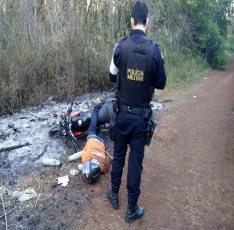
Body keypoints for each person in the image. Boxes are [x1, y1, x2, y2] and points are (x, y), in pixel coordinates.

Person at [107, 1, 166, 223]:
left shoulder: (120, 47)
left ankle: (114, 195)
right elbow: (161, 83)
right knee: (136, 162)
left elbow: (112, 76)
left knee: (119, 155)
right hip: (141, 119)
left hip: (121, 114)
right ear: (147, 21)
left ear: (132, 20)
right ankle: (131, 209)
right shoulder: (155, 51)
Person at [69, 105, 111, 184]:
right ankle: (96, 109)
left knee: (98, 130)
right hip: (92, 137)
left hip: (101, 142)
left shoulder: (102, 167)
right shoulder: (85, 158)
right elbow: (83, 149)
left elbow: (106, 169)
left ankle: (99, 125)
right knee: (93, 123)